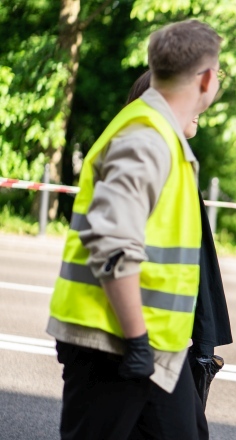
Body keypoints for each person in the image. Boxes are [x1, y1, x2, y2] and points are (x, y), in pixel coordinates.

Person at [46, 20, 224, 440]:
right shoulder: (145, 135)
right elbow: (110, 242)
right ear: (206, 78)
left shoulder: (160, 133)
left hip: (151, 346)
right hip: (115, 342)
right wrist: (138, 340)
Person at [126, 69, 233, 408]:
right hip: (143, 341)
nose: (200, 106)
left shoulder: (178, 161)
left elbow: (196, 267)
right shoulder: (149, 160)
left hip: (164, 340)